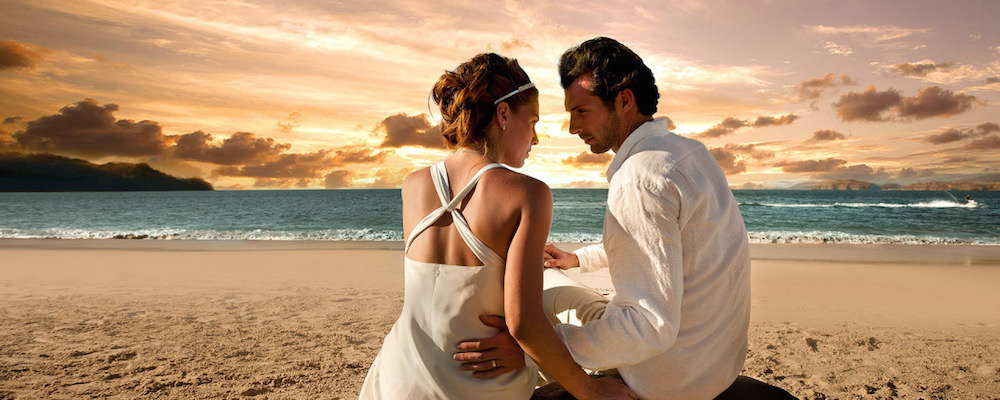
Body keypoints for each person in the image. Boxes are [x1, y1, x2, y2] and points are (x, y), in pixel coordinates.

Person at [456, 38, 756, 400]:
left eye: (581, 111)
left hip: (666, 378)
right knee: (553, 281)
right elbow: (667, 246)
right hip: (713, 362)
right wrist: (579, 259)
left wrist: (533, 350)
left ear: (624, 100)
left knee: (536, 315)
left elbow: (649, 326)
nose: (571, 128)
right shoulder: (689, 153)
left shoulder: (640, 179)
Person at [359, 53, 636, 400]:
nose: (535, 138)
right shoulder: (528, 193)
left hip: (395, 382)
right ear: (503, 114)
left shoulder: (413, 184)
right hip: (473, 388)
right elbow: (524, 324)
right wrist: (589, 389)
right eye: (532, 121)